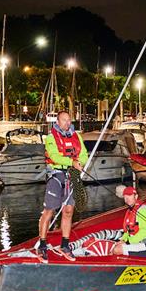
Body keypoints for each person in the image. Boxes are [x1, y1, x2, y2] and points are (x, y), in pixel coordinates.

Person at [37, 111, 88, 262]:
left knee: (68, 210)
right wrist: (71, 162)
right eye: (63, 120)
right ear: (57, 122)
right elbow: (54, 156)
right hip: (56, 176)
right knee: (49, 211)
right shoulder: (51, 138)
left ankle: (64, 245)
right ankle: (42, 245)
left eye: (69, 120)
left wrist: (80, 162)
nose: (67, 123)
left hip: (71, 175)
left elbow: (84, 153)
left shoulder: (76, 136)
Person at [111, 186, 146, 257]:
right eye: (125, 196)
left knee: (117, 250)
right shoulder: (130, 210)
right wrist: (122, 240)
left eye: (130, 196)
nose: (127, 198)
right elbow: (127, 232)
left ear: (136, 196)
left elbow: (144, 232)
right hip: (136, 241)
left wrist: (127, 242)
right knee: (114, 245)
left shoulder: (143, 209)